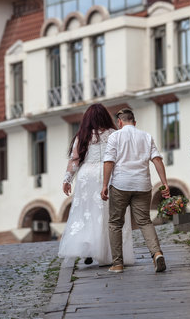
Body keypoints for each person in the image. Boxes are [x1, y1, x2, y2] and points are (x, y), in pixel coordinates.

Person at [58, 104, 134, 266]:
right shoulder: (115, 134)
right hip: (110, 174)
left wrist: (67, 179)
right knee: (110, 215)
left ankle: (89, 250)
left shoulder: (83, 135)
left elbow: (75, 159)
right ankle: (110, 252)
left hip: (87, 177)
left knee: (87, 214)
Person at [101, 107, 170, 273]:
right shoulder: (146, 136)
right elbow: (157, 159)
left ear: (119, 122)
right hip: (143, 185)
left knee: (115, 223)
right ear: (134, 122)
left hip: (120, 185)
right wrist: (164, 183)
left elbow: (109, 162)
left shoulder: (115, 136)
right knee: (145, 221)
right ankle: (157, 253)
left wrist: (104, 185)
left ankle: (117, 264)